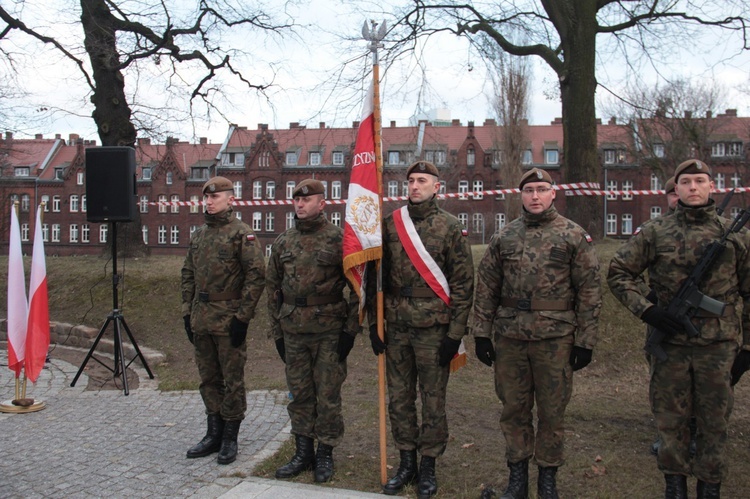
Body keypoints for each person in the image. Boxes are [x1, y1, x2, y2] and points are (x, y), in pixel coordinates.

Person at [608, 159, 750, 498]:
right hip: (670, 346)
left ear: (710, 186)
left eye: (700, 181)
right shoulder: (656, 232)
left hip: (718, 347)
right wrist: (649, 311)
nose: (693, 188)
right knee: (670, 424)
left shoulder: (737, 236)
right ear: (676, 189)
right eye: (686, 182)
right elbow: (618, 272)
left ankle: (709, 489)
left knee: (714, 425)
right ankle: (675, 487)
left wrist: (748, 348)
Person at [472, 167, 602, 499]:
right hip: (511, 340)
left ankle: (547, 482)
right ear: (521, 195)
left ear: (553, 193)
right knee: (513, 410)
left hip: (555, 340)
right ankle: (517, 482)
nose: (535, 196)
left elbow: (589, 291)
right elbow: (487, 286)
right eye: (528, 190)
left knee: (551, 412)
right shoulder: (505, 237)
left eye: (541, 189)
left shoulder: (573, 235)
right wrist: (481, 334)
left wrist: (585, 342)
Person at [366, 160, 474, 498]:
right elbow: (373, 278)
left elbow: (463, 283)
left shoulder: (450, 226)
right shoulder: (389, 224)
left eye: (422, 181)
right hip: (396, 326)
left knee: (432, 400)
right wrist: (374, 323)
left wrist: (455, 334)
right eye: (411, 181)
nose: (414, 186)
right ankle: (406, 462)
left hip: (433, 329)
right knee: (399, 399)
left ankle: (428, 465)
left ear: (436, 186)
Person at [266, 178, 360, 483]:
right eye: (296, 200)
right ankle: (302, 452)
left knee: (328, 395)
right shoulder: (283, 242)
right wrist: (277, 333)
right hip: (293, 332)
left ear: (323, 203)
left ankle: (325, 455)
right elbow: (272, 290)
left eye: (307, 200)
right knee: (300, 395)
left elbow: (359, 290)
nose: (300, 204)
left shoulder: (339, 240)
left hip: (328, 333)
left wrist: (350, 331)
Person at [181, 176, 266, 465]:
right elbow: (187, 274)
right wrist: (185, 311)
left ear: (231, 199)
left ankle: (230, 436)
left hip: (229, 319)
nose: (208, 202)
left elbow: (256, 276)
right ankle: (213, 433)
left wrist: (243, 317)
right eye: (206, 197)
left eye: (214, 197)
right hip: (201, 318)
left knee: (232, 380)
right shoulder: (200, 235)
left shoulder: (242, 234)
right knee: (208, 379)